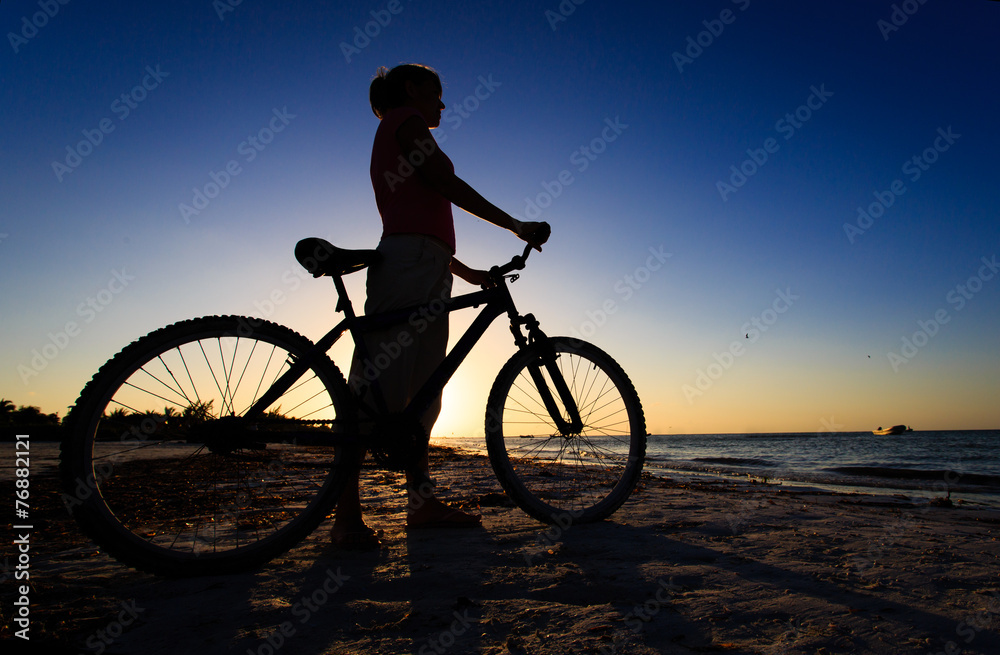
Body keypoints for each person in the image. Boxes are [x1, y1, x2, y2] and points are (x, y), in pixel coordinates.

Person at [330, 63, 549, 548]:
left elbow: (423, 226)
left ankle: (421, 504)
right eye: (437, 92)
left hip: (422, 263)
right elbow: (446, 186)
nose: (443, 104)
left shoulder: (398, 126)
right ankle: (345, 521)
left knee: (419, 396)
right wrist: (516, 225)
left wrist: (468, 273)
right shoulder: (403, 121)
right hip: (409, 265)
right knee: (376, 394)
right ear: (411, 89)